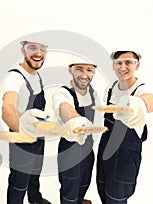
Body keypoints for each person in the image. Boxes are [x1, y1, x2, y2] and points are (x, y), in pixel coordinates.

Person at [96, 51, 153, 203]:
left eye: (128, 62)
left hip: (125, 155)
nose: (123, 67)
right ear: (113, 66)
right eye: (118, 63)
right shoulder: (111, 89)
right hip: (106, 149)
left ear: (137, 64)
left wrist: (138, 104)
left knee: (117, 196)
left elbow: (151, 102)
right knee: (102, 187)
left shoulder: (141, 89)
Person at [1, 40, 51, 204]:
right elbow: (8, 109)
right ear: (23, 50)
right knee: (19, 181)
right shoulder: (15, 77)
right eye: (32, 48)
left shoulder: (36, 75)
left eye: (42, 48)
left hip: (38, 135)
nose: (38, 53)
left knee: (35, 173)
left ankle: (35, 199)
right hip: (22, 138)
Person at [52, 61, 99, 204]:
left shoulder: (92, 92)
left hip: (88, 149)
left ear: (94, 72)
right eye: (79, 69)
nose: (84, 75)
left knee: (84, 183)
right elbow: (64, 107)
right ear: (70, 70)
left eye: (89, 70)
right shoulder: (62, 93)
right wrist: (75, 121)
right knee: (69, 191)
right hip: (70, 152)